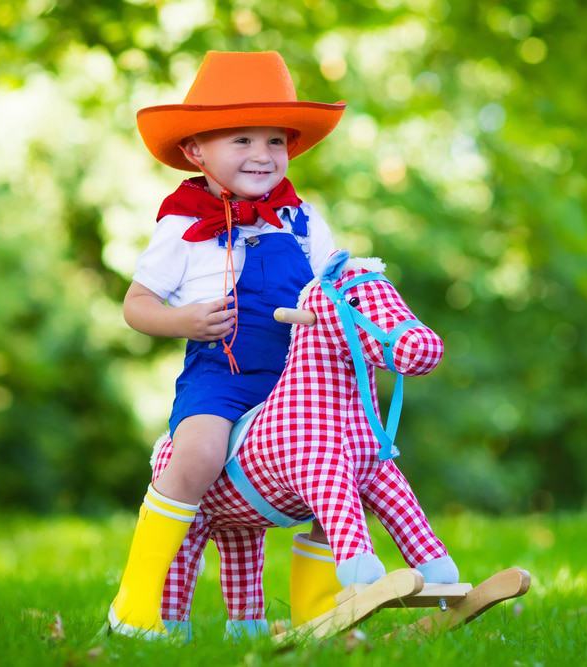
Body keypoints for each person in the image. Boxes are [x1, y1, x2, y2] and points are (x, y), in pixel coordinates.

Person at [108, 50, 346, 638]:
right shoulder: (182, 227)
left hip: (300, 379)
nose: (263, 155)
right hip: (223, 374)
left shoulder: (304, 222)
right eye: (241, 140)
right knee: (198, 452)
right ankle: (135, 601)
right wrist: (184, 320)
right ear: (195, 150)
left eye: (275, 141)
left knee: (350, 467)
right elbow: (135, 306)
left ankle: (319, 611)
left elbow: (343, 293)